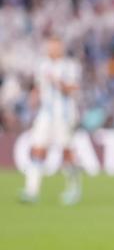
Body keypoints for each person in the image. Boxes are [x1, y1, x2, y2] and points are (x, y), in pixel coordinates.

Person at [19, 37, 83, 205]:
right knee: (37, 148)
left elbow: (73, 88)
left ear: (61, 48)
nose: (53, 50)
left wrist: (58, 82)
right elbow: (39, 87)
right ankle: (31, 190)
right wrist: (34, 97)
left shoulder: (70, 66)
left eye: (56, 47)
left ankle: (73, 188)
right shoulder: (42, 65)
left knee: (66, 152)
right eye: (50, 47)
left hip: (64, 115)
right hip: (45, 114)